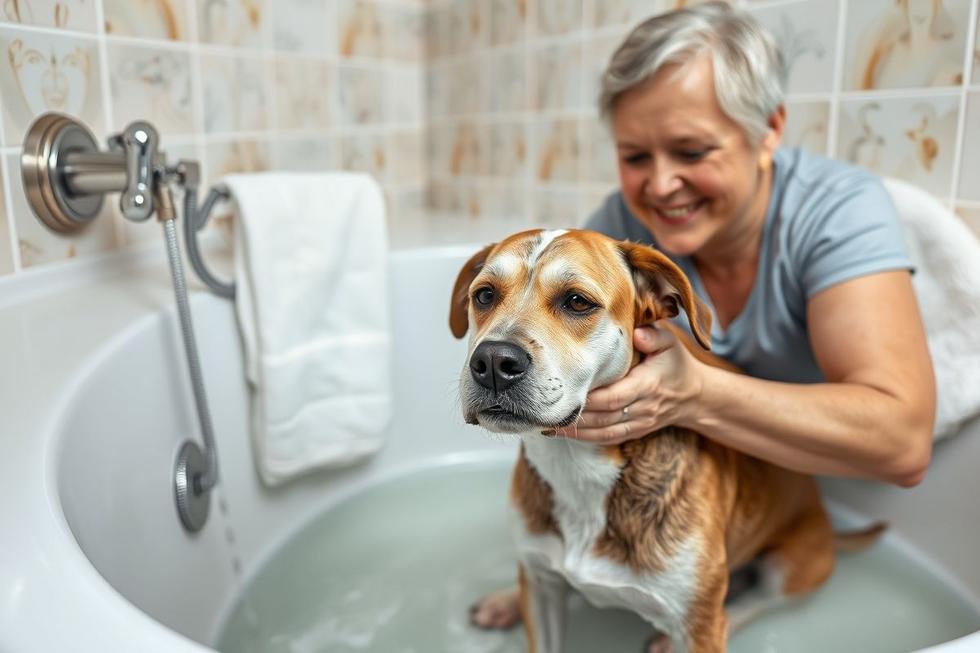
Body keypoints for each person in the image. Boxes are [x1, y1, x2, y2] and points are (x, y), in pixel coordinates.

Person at [470, 0, 936, 631]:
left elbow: (903, 443)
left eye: (691, 150)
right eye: (636, 156)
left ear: (768, 129)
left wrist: (693, 394)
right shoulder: (617, 230)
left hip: (794, 491)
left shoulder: (837, 213)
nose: (660, 186)